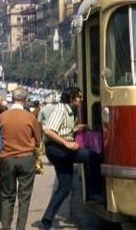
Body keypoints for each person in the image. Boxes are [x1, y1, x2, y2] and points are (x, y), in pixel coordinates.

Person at [39, 87, 102, 230]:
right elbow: (48, 130)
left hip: (59, 150)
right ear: (70, 98)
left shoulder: (70, 111)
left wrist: (76, 129)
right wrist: (67, 143)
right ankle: (94, 192)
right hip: (58, 149)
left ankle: (46, 221)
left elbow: (62, 130)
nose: (81, 99)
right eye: (79, 97)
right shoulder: (61, 109)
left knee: (64, 188)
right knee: (91, 157)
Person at [0, 87, 42, 230]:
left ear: (12, 98)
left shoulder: (2, 116)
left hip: (7, 159)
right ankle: (20, 227)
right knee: (24, 197)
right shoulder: (30, 117)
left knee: (7, 196)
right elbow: (38, 140)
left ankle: (5, 227)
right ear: (25, 100)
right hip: (26, 158)